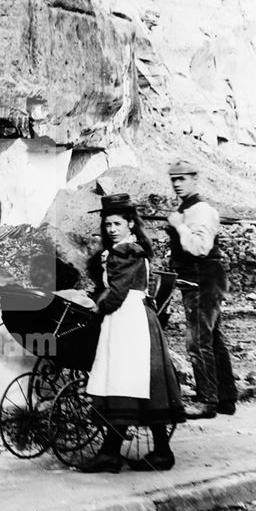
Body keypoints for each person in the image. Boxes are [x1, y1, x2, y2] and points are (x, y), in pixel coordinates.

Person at [82, 193, 185, 473]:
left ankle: (111, 453)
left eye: (117, 224)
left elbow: (116, 293)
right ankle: (157, 452)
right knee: (140, 384)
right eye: (107, 225)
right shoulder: (135, 250)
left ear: (130, 224)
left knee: (123, 381)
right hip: (138, 318)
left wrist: (96, 309)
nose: (111, 229)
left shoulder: (124, 253)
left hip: (126, 320)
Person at [166, 160, 237, 419]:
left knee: (198, 342)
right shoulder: (189, 208)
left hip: (203, 280)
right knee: (213, 339)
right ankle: (225, 399)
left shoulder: (200, 210)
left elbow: (200, 247)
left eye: (182, 179)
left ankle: (207, 401)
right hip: (201, 279)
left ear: (194, 179)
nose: (176, 184)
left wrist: (178, 226)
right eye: (173, 179)